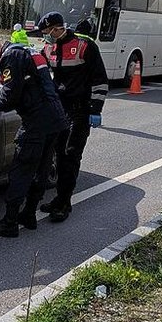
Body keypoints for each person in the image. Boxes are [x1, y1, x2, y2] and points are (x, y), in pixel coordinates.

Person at [0, 35, 67, 237]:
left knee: (20, 171)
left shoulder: (10, 56)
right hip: (54, 119)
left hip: (36, 122)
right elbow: (29, 83)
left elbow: (11, 97)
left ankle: (9, 222)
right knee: (41, 169)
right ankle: (29, 214)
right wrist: (0, 78)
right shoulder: (25, 51)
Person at [37, 11, 108, 222]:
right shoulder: (48, 48)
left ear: (58, 28)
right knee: (59, 155)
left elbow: (100, 79)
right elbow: (38, 68)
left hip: (80, 110)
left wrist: (95, 110)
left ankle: (64, 204)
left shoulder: (84, 46)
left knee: (70, 156)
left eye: (48, 32)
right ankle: (59, 198)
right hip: (60, 109)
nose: (46, 36)